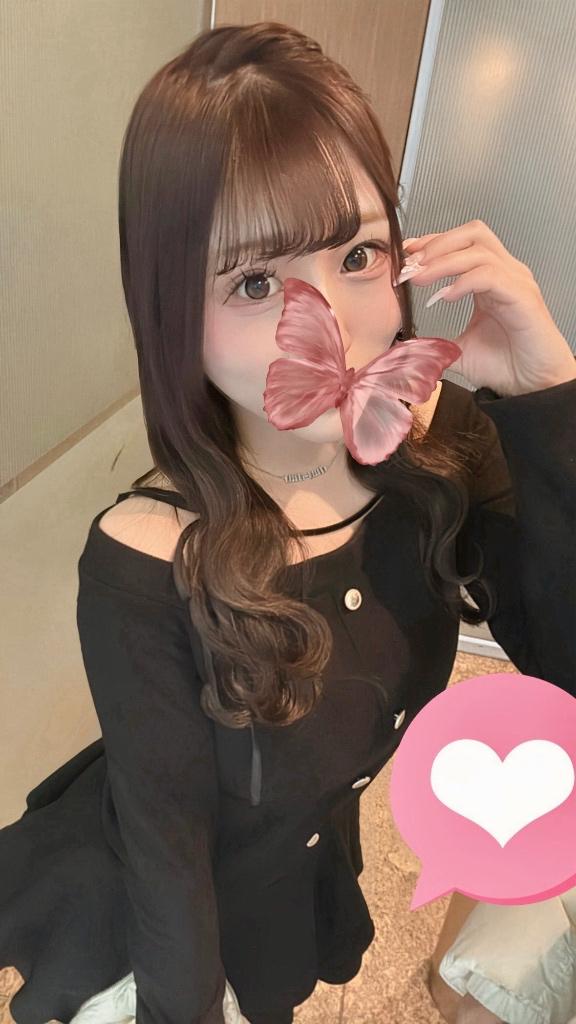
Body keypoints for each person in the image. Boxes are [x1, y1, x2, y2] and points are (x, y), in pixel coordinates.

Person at [1, 19, 575, 1024]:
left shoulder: (438, 444)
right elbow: (168, 862)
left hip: (292, 880)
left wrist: (548, 398)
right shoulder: (147, 561)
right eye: (256, 281)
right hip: (153, 924)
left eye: (358, 252)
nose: (338, 324)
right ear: (171, 307)